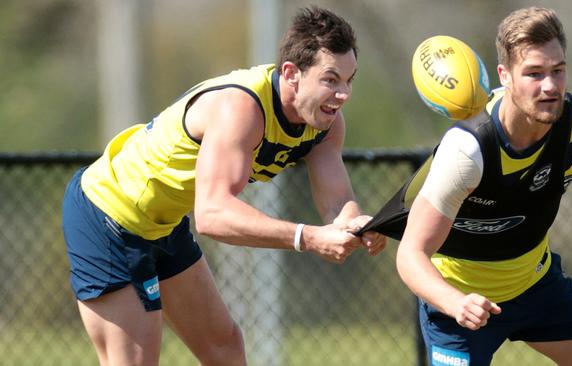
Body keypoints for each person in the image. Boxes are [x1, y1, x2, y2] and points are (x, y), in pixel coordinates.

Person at [61, 6, 385, 366]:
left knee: (225, 349)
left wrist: (355, 224)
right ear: (292, 73)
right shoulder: (241, 108)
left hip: (162, 224)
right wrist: (307, 237)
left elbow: (337, 201)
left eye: (349, 80)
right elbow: (213, 214)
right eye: (330, 79)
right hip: (108, 215)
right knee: (137, 359)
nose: (343, 94)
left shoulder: (325, 124)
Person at [392, 6, 572, 366]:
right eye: (534, 73)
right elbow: (410, 254)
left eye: (558, 71)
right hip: (462, 306)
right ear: (505, 76)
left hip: (536, 287)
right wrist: (456, 302)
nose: (550, 86)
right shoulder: (468, 150)